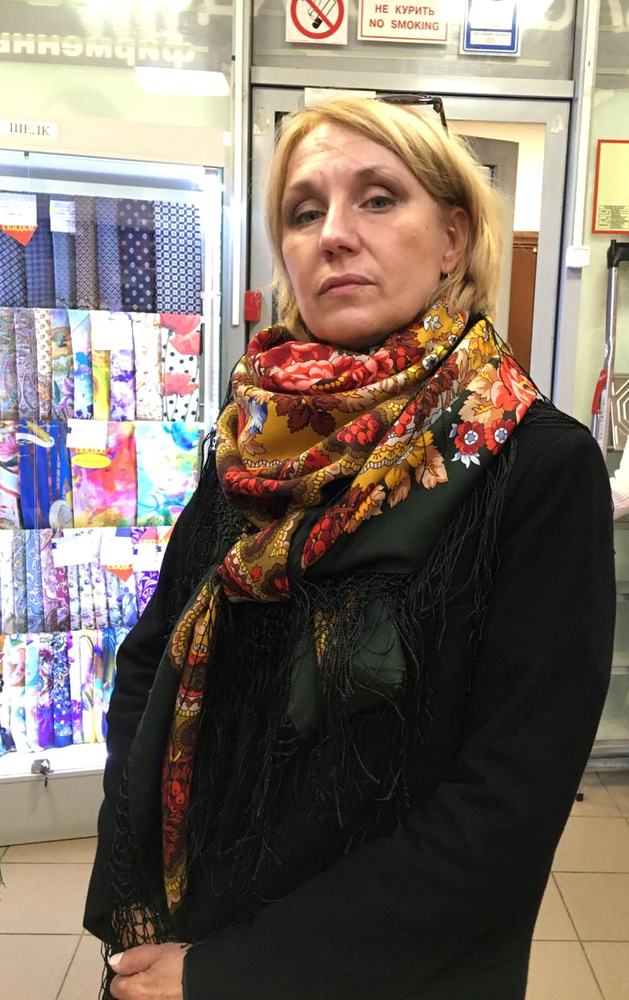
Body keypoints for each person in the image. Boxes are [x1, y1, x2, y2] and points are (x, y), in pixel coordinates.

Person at [84, 96, 615, 1000]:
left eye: (377, 198)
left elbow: (506, 804)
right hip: (191, 918)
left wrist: (233, 974)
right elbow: (151, 657)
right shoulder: (251, 443)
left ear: (451, 238)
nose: (333, 234)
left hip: (385, 970)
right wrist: (141, 868)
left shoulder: (534, 465)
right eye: (303, 211)